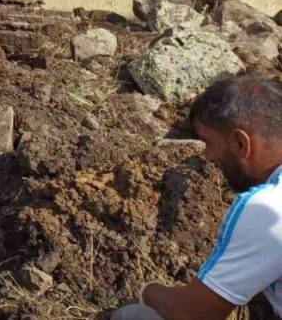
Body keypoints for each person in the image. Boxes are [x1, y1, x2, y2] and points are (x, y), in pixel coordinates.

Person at [114, 76, 282, 320]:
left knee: (133, 316)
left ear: (240, 142)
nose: (207, 156)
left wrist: (148, 291)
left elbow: (191, 313)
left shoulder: (267, 207)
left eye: (209, 142)